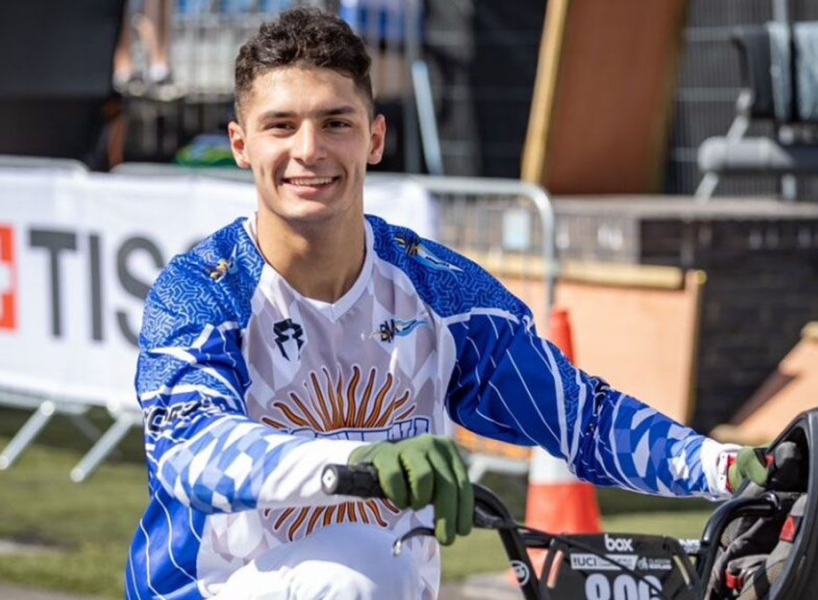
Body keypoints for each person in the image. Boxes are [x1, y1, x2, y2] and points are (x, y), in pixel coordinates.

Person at [125, 7, 766, 599]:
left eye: (336, 123)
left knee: (371, 568)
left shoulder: (440, 289)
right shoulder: (199, 290)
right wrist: (360, 462)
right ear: (241, 145)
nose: (309, 150)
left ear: (375, 139)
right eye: (281, 126)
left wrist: (727, 466)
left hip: (387, 583)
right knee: (354, 573)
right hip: (213, 587)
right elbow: (190, 449)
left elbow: (581, 420)